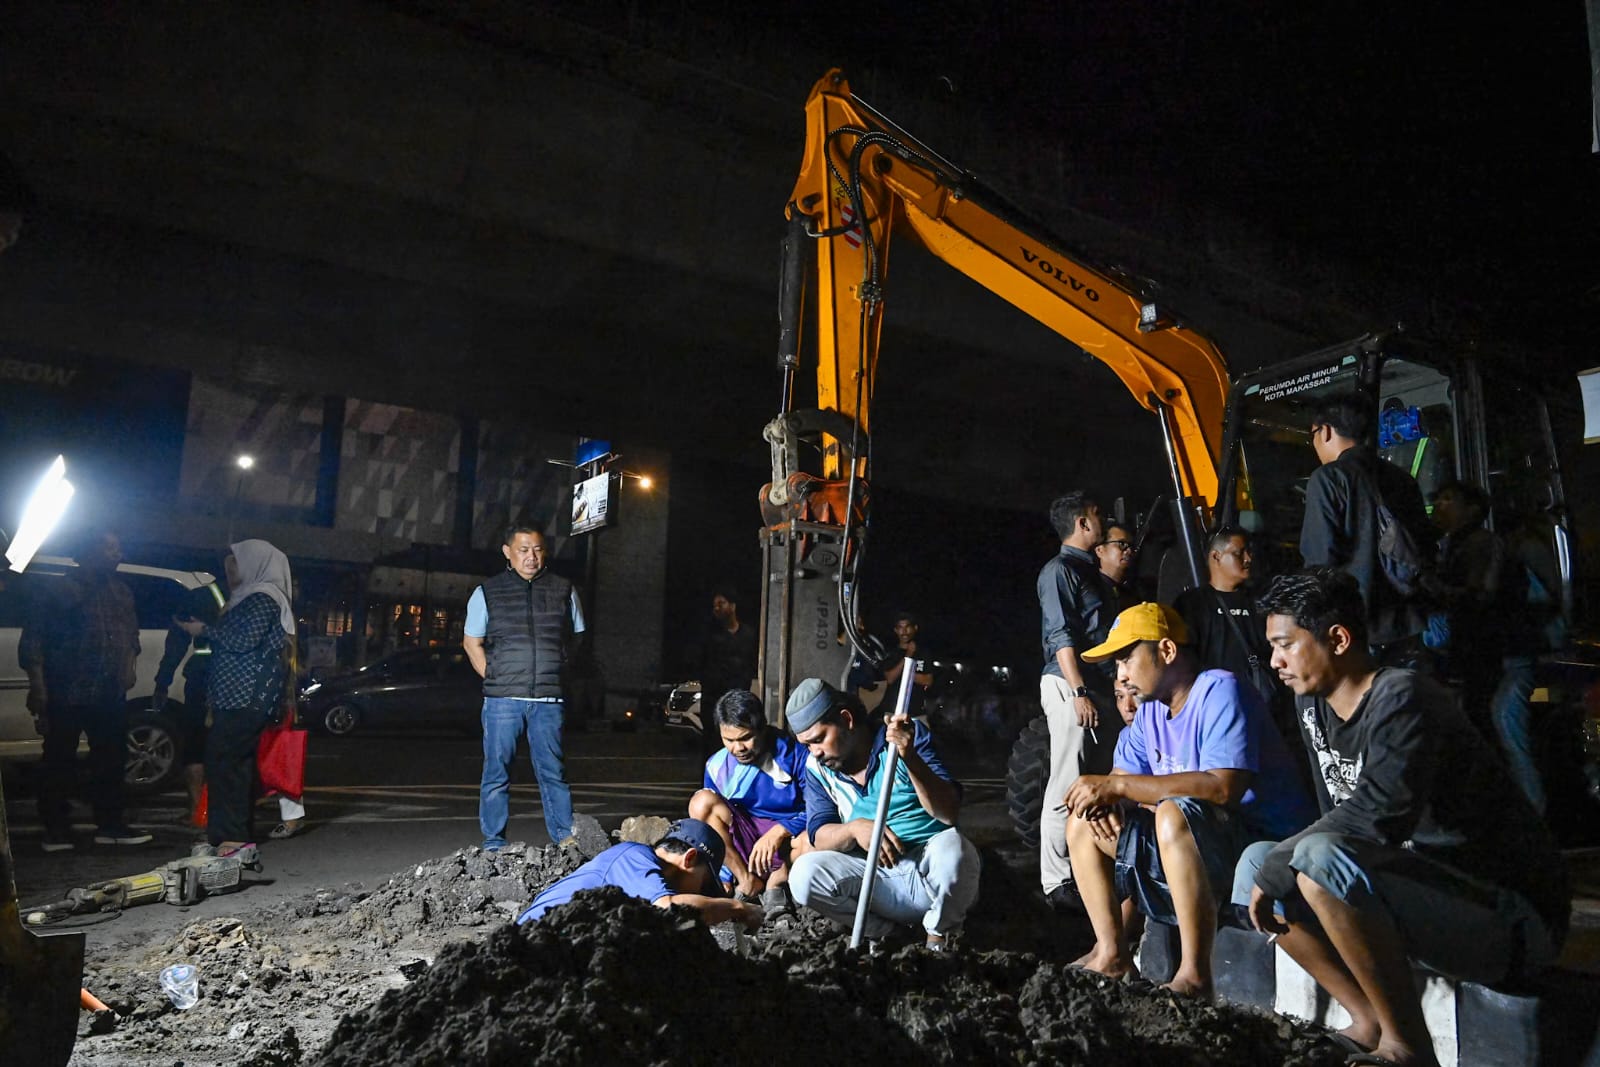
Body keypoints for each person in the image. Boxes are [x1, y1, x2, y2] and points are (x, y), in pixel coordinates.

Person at [1238, 570, 1568, 1066]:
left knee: (1308, 860)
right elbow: (1337, 815)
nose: (1274, 661)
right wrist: (1277, 866)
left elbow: (1376, 819)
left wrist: (1285, 865)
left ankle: (1407, 1046)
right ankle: (1367, 1018)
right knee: (1254, 865)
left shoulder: (1403, 697)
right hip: (1423, 899)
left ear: (1338, 638)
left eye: (1285, 645)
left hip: (1507, 916)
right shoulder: (1312, 705)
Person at [1064, 603, 1314, 997]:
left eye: (1127, 657)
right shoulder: (1149, 713)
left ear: (1166, 651)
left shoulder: (1219, 690)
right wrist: (1101, 797)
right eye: (1117, 664)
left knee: (1173, 811)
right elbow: (1119, 781)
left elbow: (1222, 787)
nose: (1122, 674)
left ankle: (1195, 974)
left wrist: (1121, 791)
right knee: (1083, 818)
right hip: (1195, 850)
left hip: (1254, 847)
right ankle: (1113, 954)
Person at [784, 678, 979, 950]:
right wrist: (855, 829)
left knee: (957, 851)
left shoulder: (903, 738)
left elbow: (948, 813)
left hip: (929, 873)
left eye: (818, 739)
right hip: (877, 882)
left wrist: (909, 757)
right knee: (804, 875)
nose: (815, 752)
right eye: (807, 745)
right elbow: (819, 835)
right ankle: (885, 934)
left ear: (846, 719)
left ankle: (939, 938)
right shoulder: (818, 769)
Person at [20, 528, 150, 851]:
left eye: (118, 548)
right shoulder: (59, 589)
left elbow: (131, 636)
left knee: (110, 759)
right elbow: (34, 639)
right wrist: (38, 686)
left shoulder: (121, 591)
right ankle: (56, 829)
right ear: (89, 552)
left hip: (108, 692)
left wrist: (129, 668)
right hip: (66, 689)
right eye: (110, 548)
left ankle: (110, 824)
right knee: (59, 760)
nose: (117, 554)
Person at [464, 525, 584, 852]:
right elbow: (472, 643)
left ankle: (565, 838)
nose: (531, 557)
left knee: (553, 773)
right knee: (496, 773)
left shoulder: (564, 589)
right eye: (523, 549)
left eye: (537, 550)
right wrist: (496, 676)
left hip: (549, 699)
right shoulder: (487, 592)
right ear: (507, 552)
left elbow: (576, 639)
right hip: (503, 700)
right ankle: (493, 843)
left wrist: (556, 669)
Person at [1426, 481, 1545, 812]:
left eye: (1448, 499)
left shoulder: (1482, 543)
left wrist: (1432, 587)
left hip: (1502, 657)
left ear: (1474, 510)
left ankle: (1533, 818)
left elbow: (1481, 595)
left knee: (1505, 732)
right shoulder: (1453, 545)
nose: (1439, 506)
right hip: (1483, 656)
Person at [177, 539, 295, 854]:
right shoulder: (246, 597)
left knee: (224, 763)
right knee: (232, 766)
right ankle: (232, 836)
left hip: (246, 699)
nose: (230, 574)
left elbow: (244, 640)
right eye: (228, 568)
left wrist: (204, 630)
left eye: (236, 567)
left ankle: (231, 837)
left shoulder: (263, 598)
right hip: (235, 699)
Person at [1298, 395, 1434, 660]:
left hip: (1359, 628)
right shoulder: (1402, 478)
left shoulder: (1329, 478)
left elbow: (1319, 561)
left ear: (1325, 431)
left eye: (1312, 435)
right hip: (1408, 623)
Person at [1036, 490, 1120, 906]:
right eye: (1097, 514)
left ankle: (1084, 869)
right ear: (1083, 524)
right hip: (1071, 684)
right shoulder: (1059, 571)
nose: (1103, 521)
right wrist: (1079, 691)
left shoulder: (1088, 572)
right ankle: (1056, 881)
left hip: (1094, 686)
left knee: (1087, 778)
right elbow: (1061, 636)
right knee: (1067, 779)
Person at [516, 817, 765, 931]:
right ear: (689, 858)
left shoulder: (644, 884)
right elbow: (670, 910)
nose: (699, 894)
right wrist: (739, 908)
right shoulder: (633, 855)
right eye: (703, 885)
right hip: (531, 946)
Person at [688, 689, 810, 908]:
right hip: (747, 843)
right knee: (701, 802)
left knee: (813, 839)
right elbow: (714, 831)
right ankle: (746, 881)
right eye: (729, 740)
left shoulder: (795, 755)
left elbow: (819, 809)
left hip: (788, 841)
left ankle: (777, 882)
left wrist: (779, 831)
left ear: (762, 728)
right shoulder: (717, 767)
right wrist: (725, 874)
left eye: (745, 738)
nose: (738, 748)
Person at [1174, 528, 1294, 738]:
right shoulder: (1192, 605)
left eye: (1249, 552)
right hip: (1215, 709)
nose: (1248, 559)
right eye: (1239, 553)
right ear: (1216, 556)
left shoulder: (1262, 601)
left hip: (1263, 707)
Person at [152, 584, 221, 821]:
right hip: (230, 683)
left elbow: (176, 642)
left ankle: (198, 811)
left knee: (196, 745)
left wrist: (163, 682)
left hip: (203, 679)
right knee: (220, 747)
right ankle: (212, 810)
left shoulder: (201, 595)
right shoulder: (252, 593)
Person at [700, 585, 758, 754]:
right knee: (712, 743)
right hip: (714, 698)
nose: (717, 608)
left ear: (732, 606)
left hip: (737, 698)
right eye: (715, 605)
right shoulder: (709, 635)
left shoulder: (748, 634)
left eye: (721, 603)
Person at [880, 611, 934, 717]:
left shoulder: (924, 653)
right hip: (892, 711)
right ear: (895, 630)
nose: (904, 631)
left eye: (908, 627)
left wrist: (903, 674)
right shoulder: (891, 653)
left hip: (917, 712)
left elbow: (928, 681)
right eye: (900, 627)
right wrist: (908, 656)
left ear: (915, 628)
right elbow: (890, 678)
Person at [1095, 521, 1137, 603]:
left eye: (1131, 546)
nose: (1129, 551)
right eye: (1122, 544)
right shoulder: (1091, 591)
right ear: (1100, 550)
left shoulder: (1132, 592)